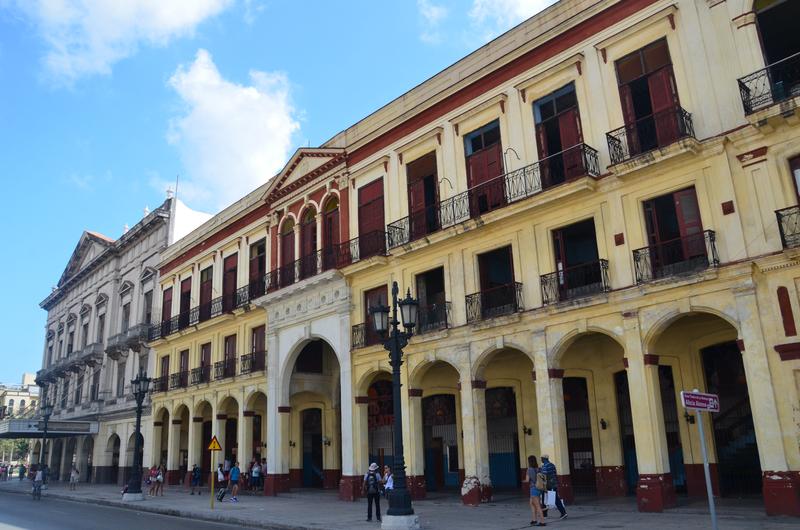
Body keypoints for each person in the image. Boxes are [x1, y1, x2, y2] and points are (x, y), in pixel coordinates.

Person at [540, 455, 567, 520]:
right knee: (554, 498)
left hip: (547, 485)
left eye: (541, 459)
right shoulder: (552, 465)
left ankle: (562, 513)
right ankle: (562, 512)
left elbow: (544, 476)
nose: (541, 460)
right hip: (554, 484)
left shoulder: (545, 466)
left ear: (543, 459)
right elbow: (555, 474)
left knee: (545, 500)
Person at [527, 455, 546, 527]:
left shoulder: (529, 469)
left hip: (533, 488)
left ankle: (542, 521)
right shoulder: (539, 468)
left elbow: (527, 480)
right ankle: (534, 520)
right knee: (531, 503)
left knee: (537, 506)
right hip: (539, 488)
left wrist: (523, 480)